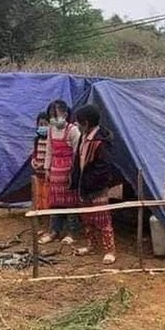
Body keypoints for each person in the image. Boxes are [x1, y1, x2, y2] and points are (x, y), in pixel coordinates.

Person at [69, 104, 117, 264]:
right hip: (83, 186)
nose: (76, 125)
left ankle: (109, 250)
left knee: (103, 220)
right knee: (87, 218)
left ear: (86, 123)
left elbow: (103, 168)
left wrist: (91, 183)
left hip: (97, 188)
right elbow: (78, 161)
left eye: (78, 122)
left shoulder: (101, 142)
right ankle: (92, 245)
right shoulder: (83, 138)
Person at [39, 100, 81, 245]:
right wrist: (47, 169)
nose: (54, 118)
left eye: (56, 115)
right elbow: (49, 151)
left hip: (68, 170)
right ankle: (54, 231)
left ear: (65, 114)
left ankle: (72, 233)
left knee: (70, 203)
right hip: (55, 171)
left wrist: (73, 172)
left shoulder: (73, 130)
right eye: (51, 116)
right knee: (55, 203)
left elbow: (77, 152)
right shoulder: (51, 130)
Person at [31, 112, 50, 227]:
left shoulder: (51, 140)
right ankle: (41, 223)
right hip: (38, 174)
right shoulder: (37, 140)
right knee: (39, 198)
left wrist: (44, 165)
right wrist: (33, 161)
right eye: (40, 124)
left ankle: (48, 223)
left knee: (47, 198)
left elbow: (50, 156)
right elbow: (35, 153)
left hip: (47, 175)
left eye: (45, 124)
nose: (43, 127)